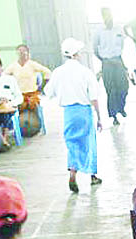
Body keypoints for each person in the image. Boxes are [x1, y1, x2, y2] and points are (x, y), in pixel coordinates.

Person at [46, 39, 104, 192]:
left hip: (69, 113)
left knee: (72, 144)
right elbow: (94, 97)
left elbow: (48, 92)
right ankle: (92, 176)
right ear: (76, 54)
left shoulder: (58, 72)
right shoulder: (86, 72)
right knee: (89, 143)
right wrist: (99, 117)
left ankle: (73, 174)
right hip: (84, 112)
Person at [94, 8, 130, 125]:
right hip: (107, 63)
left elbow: (122, 44)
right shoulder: (98, 31)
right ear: (103, 17)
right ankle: (114, 116)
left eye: (109, 15)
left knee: (124, 87)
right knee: (110, 90)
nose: (108, 18)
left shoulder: (118, 28)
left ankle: (121, 107)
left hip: (118, 60)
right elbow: (95, 49)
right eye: (105, 16)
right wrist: (105, 60)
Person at [4, 44, 52, 128]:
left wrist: (42, 86)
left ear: (27, 52)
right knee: (16, 108)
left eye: (24, 51)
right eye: (20, 51)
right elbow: (4, 76)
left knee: (34, 106)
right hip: (19, 94)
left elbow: (47, 72)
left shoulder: (32, 64)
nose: (22, 53)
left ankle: (39, 127)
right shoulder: (13, 66)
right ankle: (18, 128)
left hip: (32, 94)